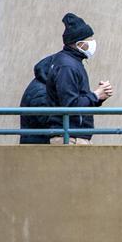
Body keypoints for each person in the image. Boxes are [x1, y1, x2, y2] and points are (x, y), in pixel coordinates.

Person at [45, 13, 113, 144]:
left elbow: (76, 100)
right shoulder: (67, 66)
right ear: (79, 44)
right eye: (89, 39)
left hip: (74, 136)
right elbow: (70, 105)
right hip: (70, 138)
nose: (92, 42)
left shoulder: (72, 63)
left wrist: (99, 97)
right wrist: (95, 95)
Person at [18, 54, 58, 144]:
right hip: (38, 147)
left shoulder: (42, 86)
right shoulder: (41, 91)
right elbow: (48, 120)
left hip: (37, 144)